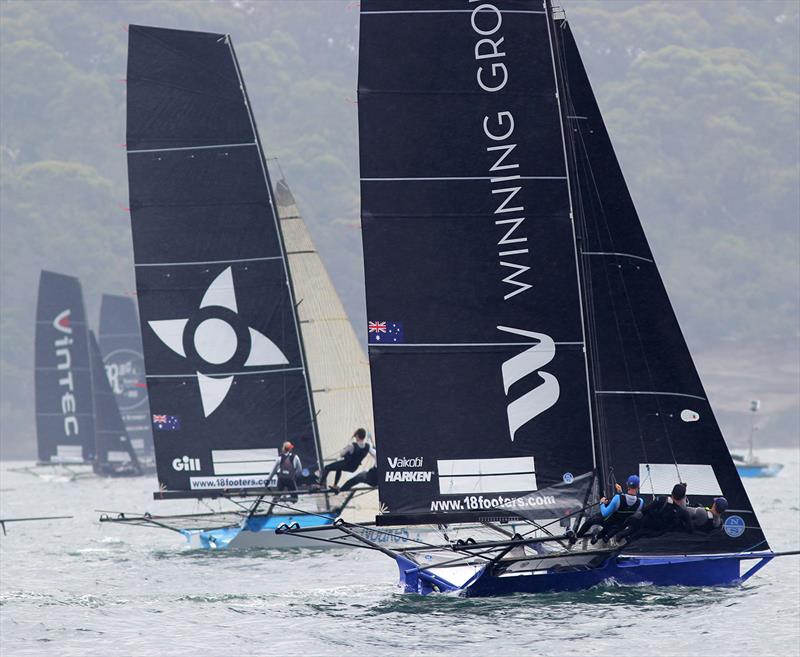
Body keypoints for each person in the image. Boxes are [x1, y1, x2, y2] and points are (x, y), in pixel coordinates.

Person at [568, 475, 644, 546]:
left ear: (627, 484)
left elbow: (605, 513)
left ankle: (576, 537)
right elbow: (628, 505)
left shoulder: (617, 498)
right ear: (638, 486)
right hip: (618, 526)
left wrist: (602, 503)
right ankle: (597, 537)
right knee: (608, 529)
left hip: (606, 521)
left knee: (590, 521)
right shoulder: (640, 502)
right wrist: (621, 493)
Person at [615, 482, 693, 543]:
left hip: (645, 525)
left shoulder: (662, 499)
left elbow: (645, 510)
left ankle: (618, 536)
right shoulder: (683, 513)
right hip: (656, 534)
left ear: (672, 493)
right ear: (683, 497)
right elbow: (690, 529)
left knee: (632, 528)